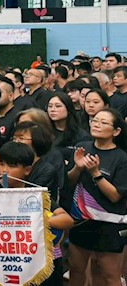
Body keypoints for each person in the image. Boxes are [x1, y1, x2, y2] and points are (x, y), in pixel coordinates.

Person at [0, 142, 74, 286]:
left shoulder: (35, 194)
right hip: (4, 261)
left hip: (38, 261)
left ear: (27, 170)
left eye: (12, 166)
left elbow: (67, 220)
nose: (5, 170)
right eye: (2, 164)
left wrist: (35, 220)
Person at [68, 108, 127, 286]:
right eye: (94, 120)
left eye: (103, 122)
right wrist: (77, 168)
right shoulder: (83, 147)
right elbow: (69, 182)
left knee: (109, 275)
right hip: (81, 219)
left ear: (116, 131)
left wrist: (96, 173)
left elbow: (115, 196)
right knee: (76, 269)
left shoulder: (122, 158)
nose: (96, 124)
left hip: (109, 224)